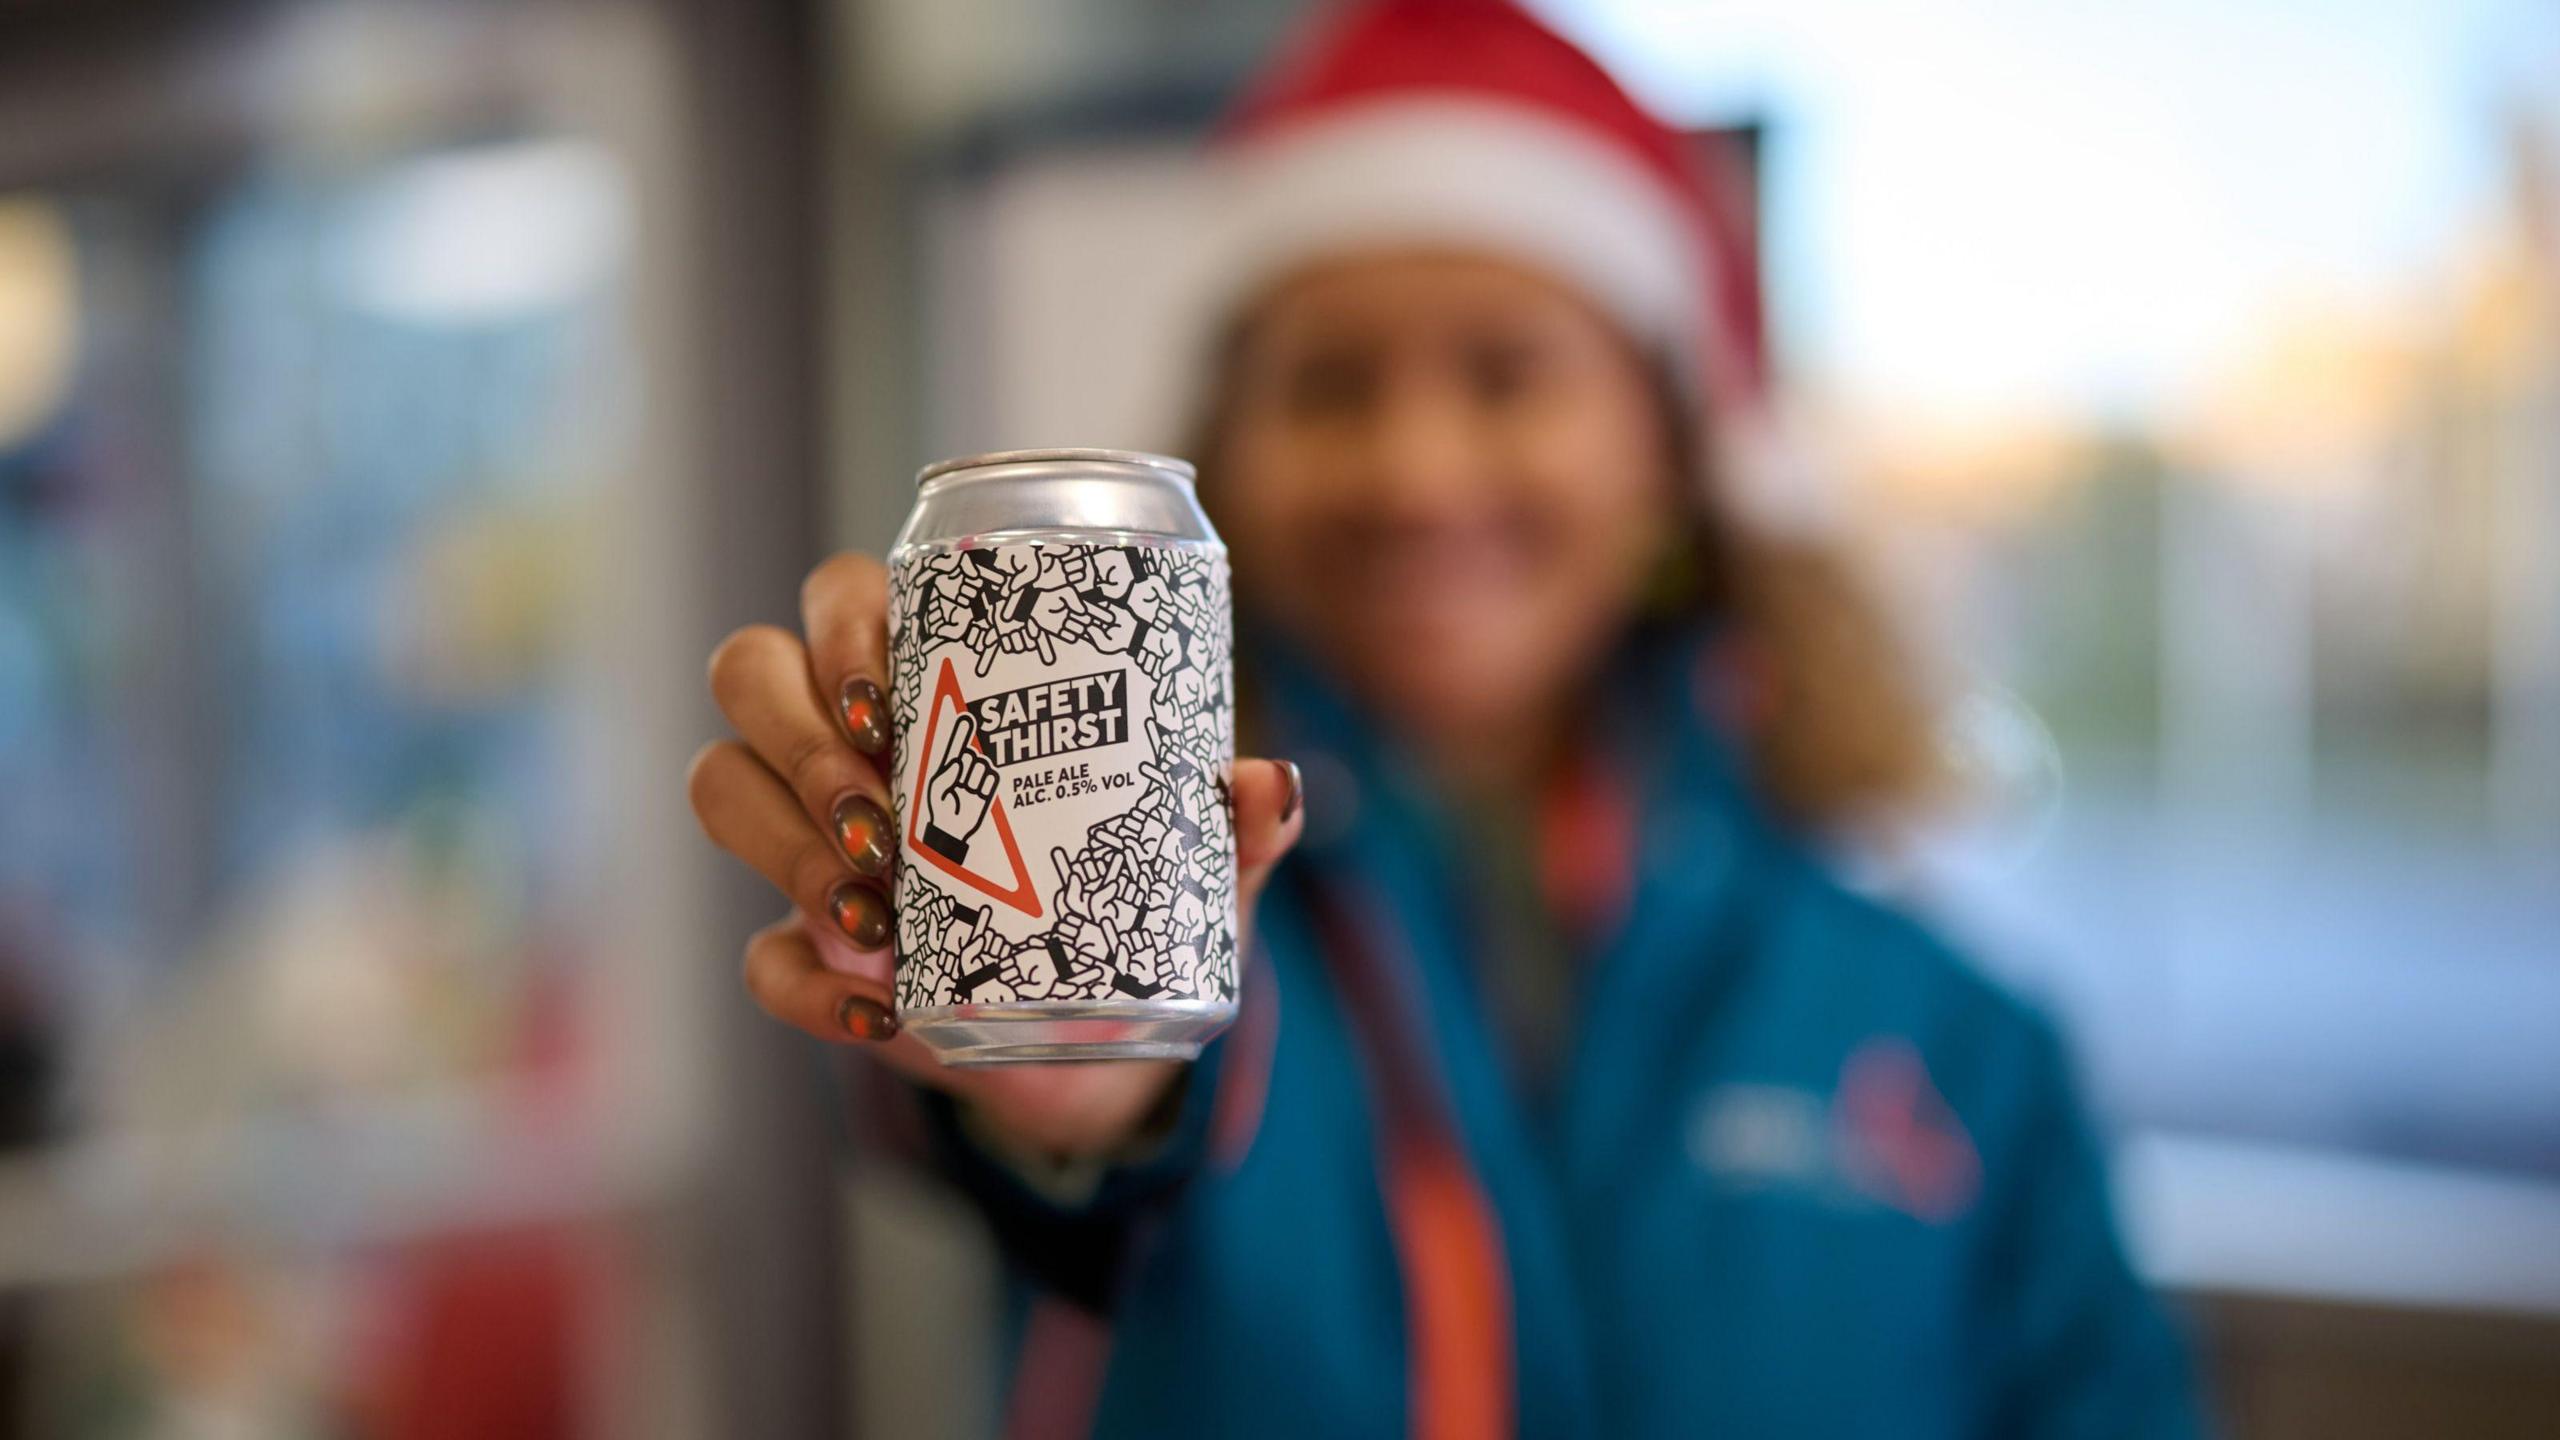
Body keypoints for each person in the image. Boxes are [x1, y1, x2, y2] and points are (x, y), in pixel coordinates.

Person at [686, 1, 2205, 1434]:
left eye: (1506, 374)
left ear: (1672, 455)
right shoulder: (1175, 910)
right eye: (1333, 386)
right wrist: (1066, 1087)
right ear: (1236, 450)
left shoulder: (1955, 1039)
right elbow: (1048, 1158)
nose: (1416, 471)